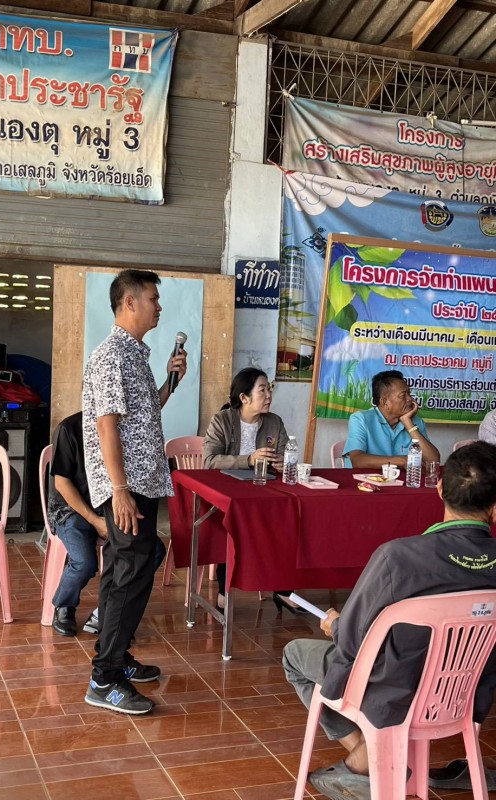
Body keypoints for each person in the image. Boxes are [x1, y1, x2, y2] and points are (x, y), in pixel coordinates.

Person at [283, 441, 496, 800]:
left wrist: (335, 624)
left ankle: (369, 758)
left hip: (388, 693)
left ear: (439, 489)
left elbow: (350, 641)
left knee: (294, 655)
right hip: (462, 696)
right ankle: (370, 758)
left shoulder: (398, 557)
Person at [82, 268, 187, 716]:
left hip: (142, 480)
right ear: (129, 302)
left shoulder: (134, 355)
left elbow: (143, 417)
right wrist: (119, 489)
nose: (158, 307)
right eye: (153, 299)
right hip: (126, 485)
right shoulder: (111, 356)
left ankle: (116, 653)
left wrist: (169, 383)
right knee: (130, 570)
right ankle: (104, 679)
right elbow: (107, 425)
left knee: (128, 568)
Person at [47, 411, 167, 637]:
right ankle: (64, 604)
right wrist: (95, 521)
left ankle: (108, 611)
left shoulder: (123, 427)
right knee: (85, 562)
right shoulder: (69, 428)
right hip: (71, 508)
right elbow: (62, 484)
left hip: (109, 505)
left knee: (151, 549)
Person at [203, 368, 288, 609]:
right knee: (231, 524)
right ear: (244, 397)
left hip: (263, 492)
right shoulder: (222, 420)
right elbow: (209, 461)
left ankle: (284, 589)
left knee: (288, 518)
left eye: (269, 389)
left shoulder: (274, 422)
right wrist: (249, 459)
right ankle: (224, 590)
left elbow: (284, 455)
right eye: (262, 390)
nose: (269, 395)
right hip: (227, 493)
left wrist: (282, 463)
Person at [342, 369, 440, 468]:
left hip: (401, 478)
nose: (410, 399)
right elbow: (357, 460)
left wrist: (408, 423)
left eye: (409, 393)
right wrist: (400, 461)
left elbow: (433, 461)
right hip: (365, 477)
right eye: (403, 395)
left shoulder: (415, 421)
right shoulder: (361, 419)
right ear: (385, 402)